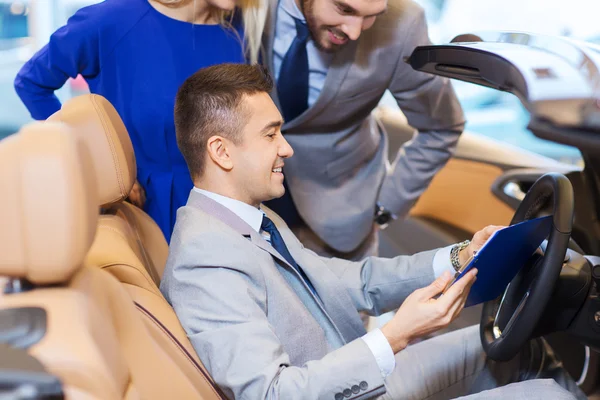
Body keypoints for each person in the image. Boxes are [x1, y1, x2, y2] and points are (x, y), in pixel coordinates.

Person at [160, 63, 585, 400]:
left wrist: (460, 256)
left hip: (354, 374)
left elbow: (353, 281)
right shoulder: (203, 261)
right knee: (548, 395)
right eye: (271, 134)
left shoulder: (253, 219)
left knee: (524, 345)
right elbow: (274, 394)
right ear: (221, 151)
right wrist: (397, 335)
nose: (286, 148)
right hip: (343, 388)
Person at [14, 0, 266, 241]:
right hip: (148, 212)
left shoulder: (242, 28)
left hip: (235, 214)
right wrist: (100, 163)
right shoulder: (113, 20)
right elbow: (32, 83)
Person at [261, 0, 465, 259]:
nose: (356, 32)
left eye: (373, 16)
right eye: (344, 9)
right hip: (247, 211)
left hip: (342, 219)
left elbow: (442, 126)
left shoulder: (403, 23)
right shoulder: (245, 7)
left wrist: (386, 206)